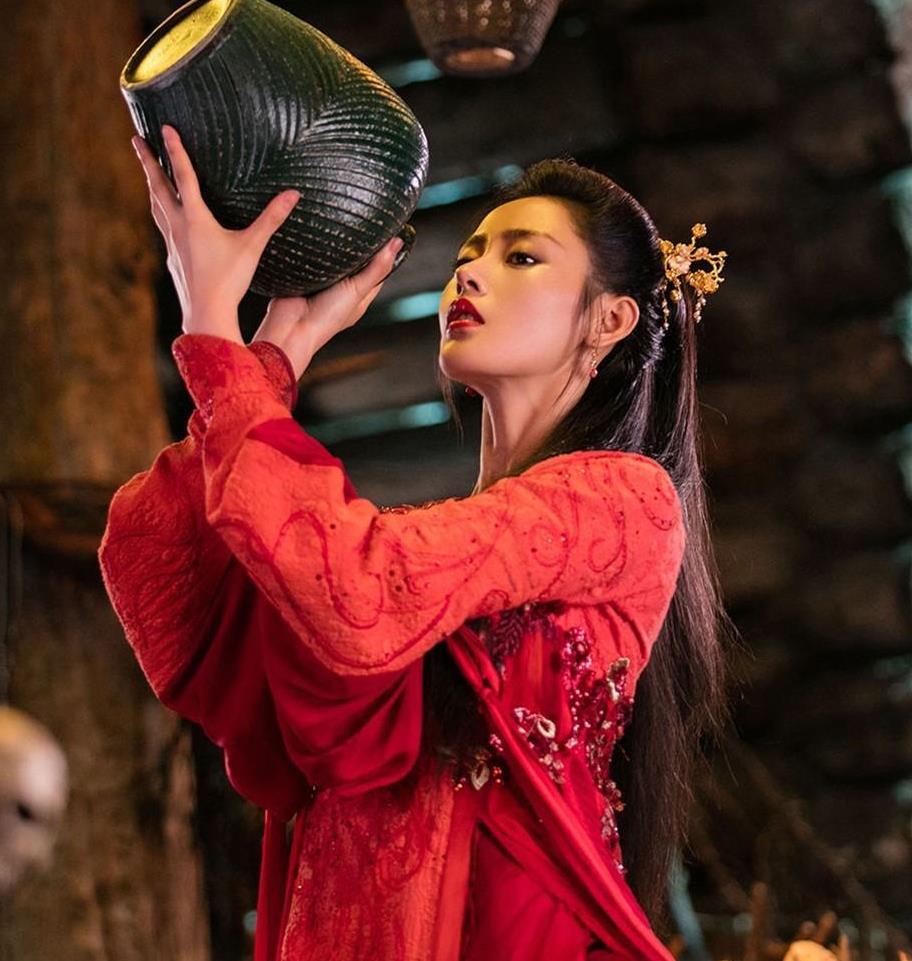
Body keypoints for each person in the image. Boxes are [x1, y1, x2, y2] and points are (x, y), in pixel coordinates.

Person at [98, 123, 732, 961]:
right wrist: (269, 359)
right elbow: (169, 570)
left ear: (610, 319)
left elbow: (356, 588)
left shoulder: (626, 500)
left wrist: (214, 330)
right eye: (469, 251)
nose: (468, 270)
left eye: (521, 256)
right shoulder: (429, 546)